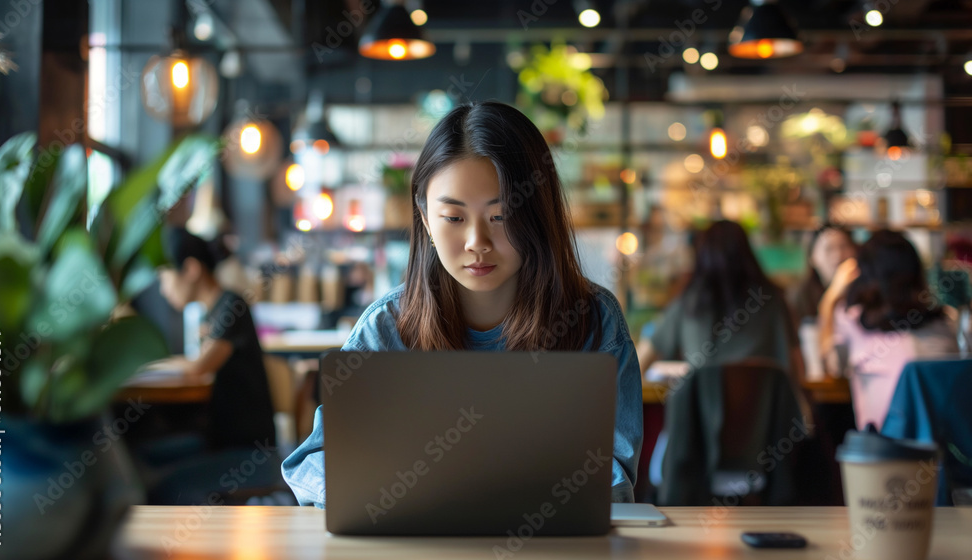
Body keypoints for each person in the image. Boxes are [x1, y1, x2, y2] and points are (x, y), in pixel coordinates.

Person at [281, 101, 643, 507]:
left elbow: (613, 472)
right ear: (424, 217)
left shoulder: (593, 320)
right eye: (454, 218)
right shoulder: (386, 328)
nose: (476, 243)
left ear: (538, 216)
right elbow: (314, 460)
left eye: (501, 216)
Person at [819, 230, 957, 431]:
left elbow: (830, 366)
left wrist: (828, 301)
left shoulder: (853, 321)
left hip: (885, 452)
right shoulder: (945, 323)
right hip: (946, 451)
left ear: (863, 272)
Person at [637, 220, 804, 382]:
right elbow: (798, 369)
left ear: (702, 255)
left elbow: (638, 363)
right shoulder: (772, 300)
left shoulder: (688, 303)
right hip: (765, 409)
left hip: (701, 410)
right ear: (748, 252)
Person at [157, 226, 276, 450]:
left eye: (165, 277)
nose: (164, 289)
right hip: (221, 437)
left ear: (191, 269)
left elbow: (198, 368)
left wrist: (151, 366)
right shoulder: (212, 311)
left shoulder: (231, 305)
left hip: (245, 448)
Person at [788, 224, 856, 328]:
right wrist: (833, 293)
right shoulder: (800, 296)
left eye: (844, 246)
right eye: (828, 249)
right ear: (812, 257)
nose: (838, 256)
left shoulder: (864, 291)